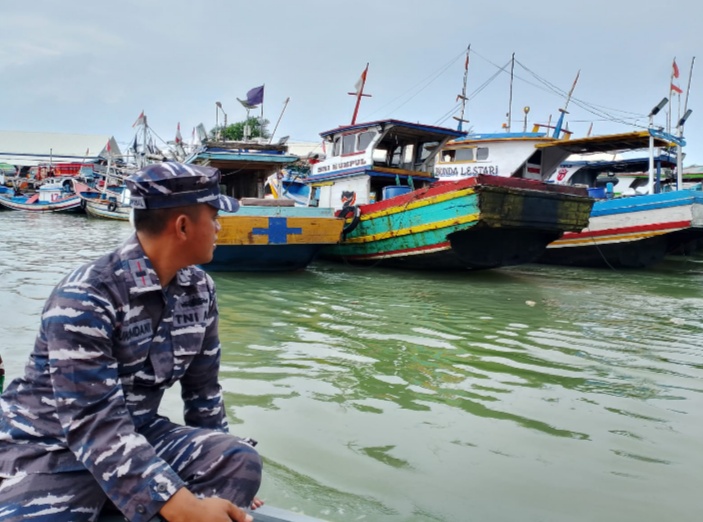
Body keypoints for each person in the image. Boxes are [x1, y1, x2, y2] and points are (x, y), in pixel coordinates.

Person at [0, 162, 262, 522]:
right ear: (183, 226)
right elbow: (92, 423)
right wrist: (186, 508)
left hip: (138, 432)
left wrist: (214, 473)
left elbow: (203, 391)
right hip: (53, 447)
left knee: (237, 460)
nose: (219, 227)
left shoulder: (200, 290)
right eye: (214, 217)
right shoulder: (88, 295)